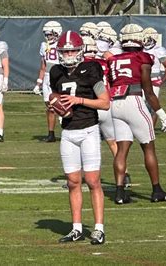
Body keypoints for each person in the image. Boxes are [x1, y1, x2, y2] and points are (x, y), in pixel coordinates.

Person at [50, 31, 110, 245]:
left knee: (93, 181)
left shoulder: (91, 69)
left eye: (72, 50)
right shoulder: (56, 72)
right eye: (65, 51)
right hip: (68, 132)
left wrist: (79, 100)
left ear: (80, 50)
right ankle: (76, 228)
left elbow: (105, 102)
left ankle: (98, 228)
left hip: (88, 130)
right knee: (73, 182)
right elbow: (56, 98)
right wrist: (55, 106)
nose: (68, 54)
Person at [107, 23, 166, 204]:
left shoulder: (113, 59)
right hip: (134, 102)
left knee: (121, 150)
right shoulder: (142, 57)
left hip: (116, 104)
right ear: (140, 39)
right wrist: (162, 114)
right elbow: (148, 90)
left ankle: (120, 193)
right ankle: (157, 190)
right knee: (148, 147)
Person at [81, 36, 132, 187]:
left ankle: (83, 176)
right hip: (107, 104)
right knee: (114, 144)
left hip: (91, 105)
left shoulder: (80, 65)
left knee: (83, 143)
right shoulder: (106, 62)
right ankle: (125, 175)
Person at [32, 20, 62, 142]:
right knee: (49, 107)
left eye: (51, 34)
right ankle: (51, 134)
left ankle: (67, 130)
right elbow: (43, 66)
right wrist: (38, 83)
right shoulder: (44, 46)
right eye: (47, 34)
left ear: (57, 33)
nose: (49, 37)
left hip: (59, 76)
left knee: (62, 105)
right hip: (47, 77)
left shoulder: (62, 44)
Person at [142, 27, 166, 127]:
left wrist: (162, 81)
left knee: (153, 105)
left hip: (154, 79)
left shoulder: (159, 50)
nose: (145, 41)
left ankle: (151, 129)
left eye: (147, 39)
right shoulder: (140, 49)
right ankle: (142, 127)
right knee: (141, 104)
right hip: (141, 79)